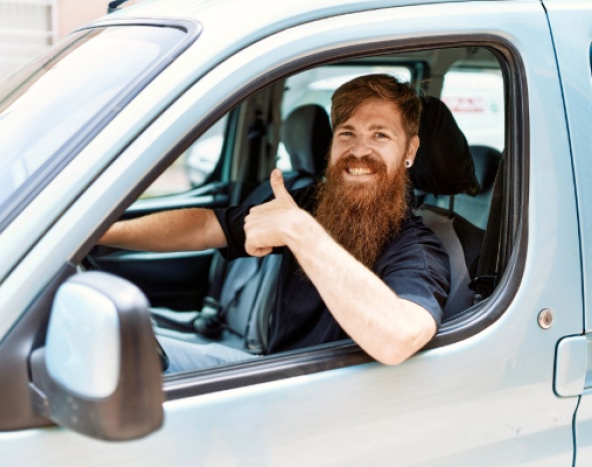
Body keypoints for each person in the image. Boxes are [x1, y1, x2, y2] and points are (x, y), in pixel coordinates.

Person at [99, 74, 450, 371]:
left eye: (380, 135)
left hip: (313, 403)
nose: (359, 150)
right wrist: (102, 235)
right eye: (347, 133)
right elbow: (207, 226)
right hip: (272, 371)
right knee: (116, 348)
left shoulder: (415, 248)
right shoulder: (307, 203)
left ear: (410, 151)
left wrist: (300, 233)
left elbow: (399, 338)